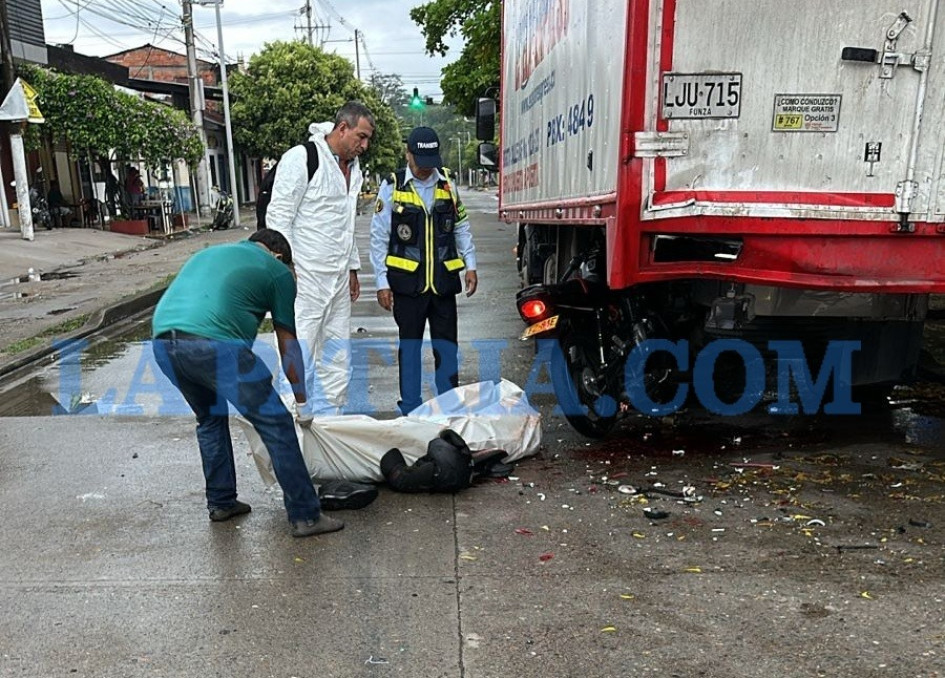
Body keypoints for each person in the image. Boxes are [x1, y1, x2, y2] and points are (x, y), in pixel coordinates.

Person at [151, 229, 344, 538]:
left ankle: (221, 502)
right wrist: (301, 399)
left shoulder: (207, 253)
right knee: (276, 422)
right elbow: (289, 344)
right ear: (280, 255)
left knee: (210, 419)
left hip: (163, 342)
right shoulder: (278, 271)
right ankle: (306, 515)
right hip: (214, 344)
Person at [266, 101, 375, 415]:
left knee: (337, 357)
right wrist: (283, 269)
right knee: (298, 355)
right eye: (361, 137)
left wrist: (353, 267)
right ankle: (291, 426)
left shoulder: (353, 169)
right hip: (304, 279)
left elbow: (346, 221)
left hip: (338, 278)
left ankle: (330, 426)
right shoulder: (302, 158)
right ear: (342, 128)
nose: (364, 145)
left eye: (368, 139)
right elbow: (279, 217)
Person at [369, 126, 478, 415]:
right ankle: (411, 408)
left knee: (446, 348)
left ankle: (450, 406)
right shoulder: (392, 187)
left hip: (443, 284)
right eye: (420, 162)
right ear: (408, 154)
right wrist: (382, 282)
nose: (425, 169)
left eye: (430, 162)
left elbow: (461, 227)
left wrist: (471, 265)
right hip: (407, 286)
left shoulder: (447, 184)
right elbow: (379, 237)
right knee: (410, 349)